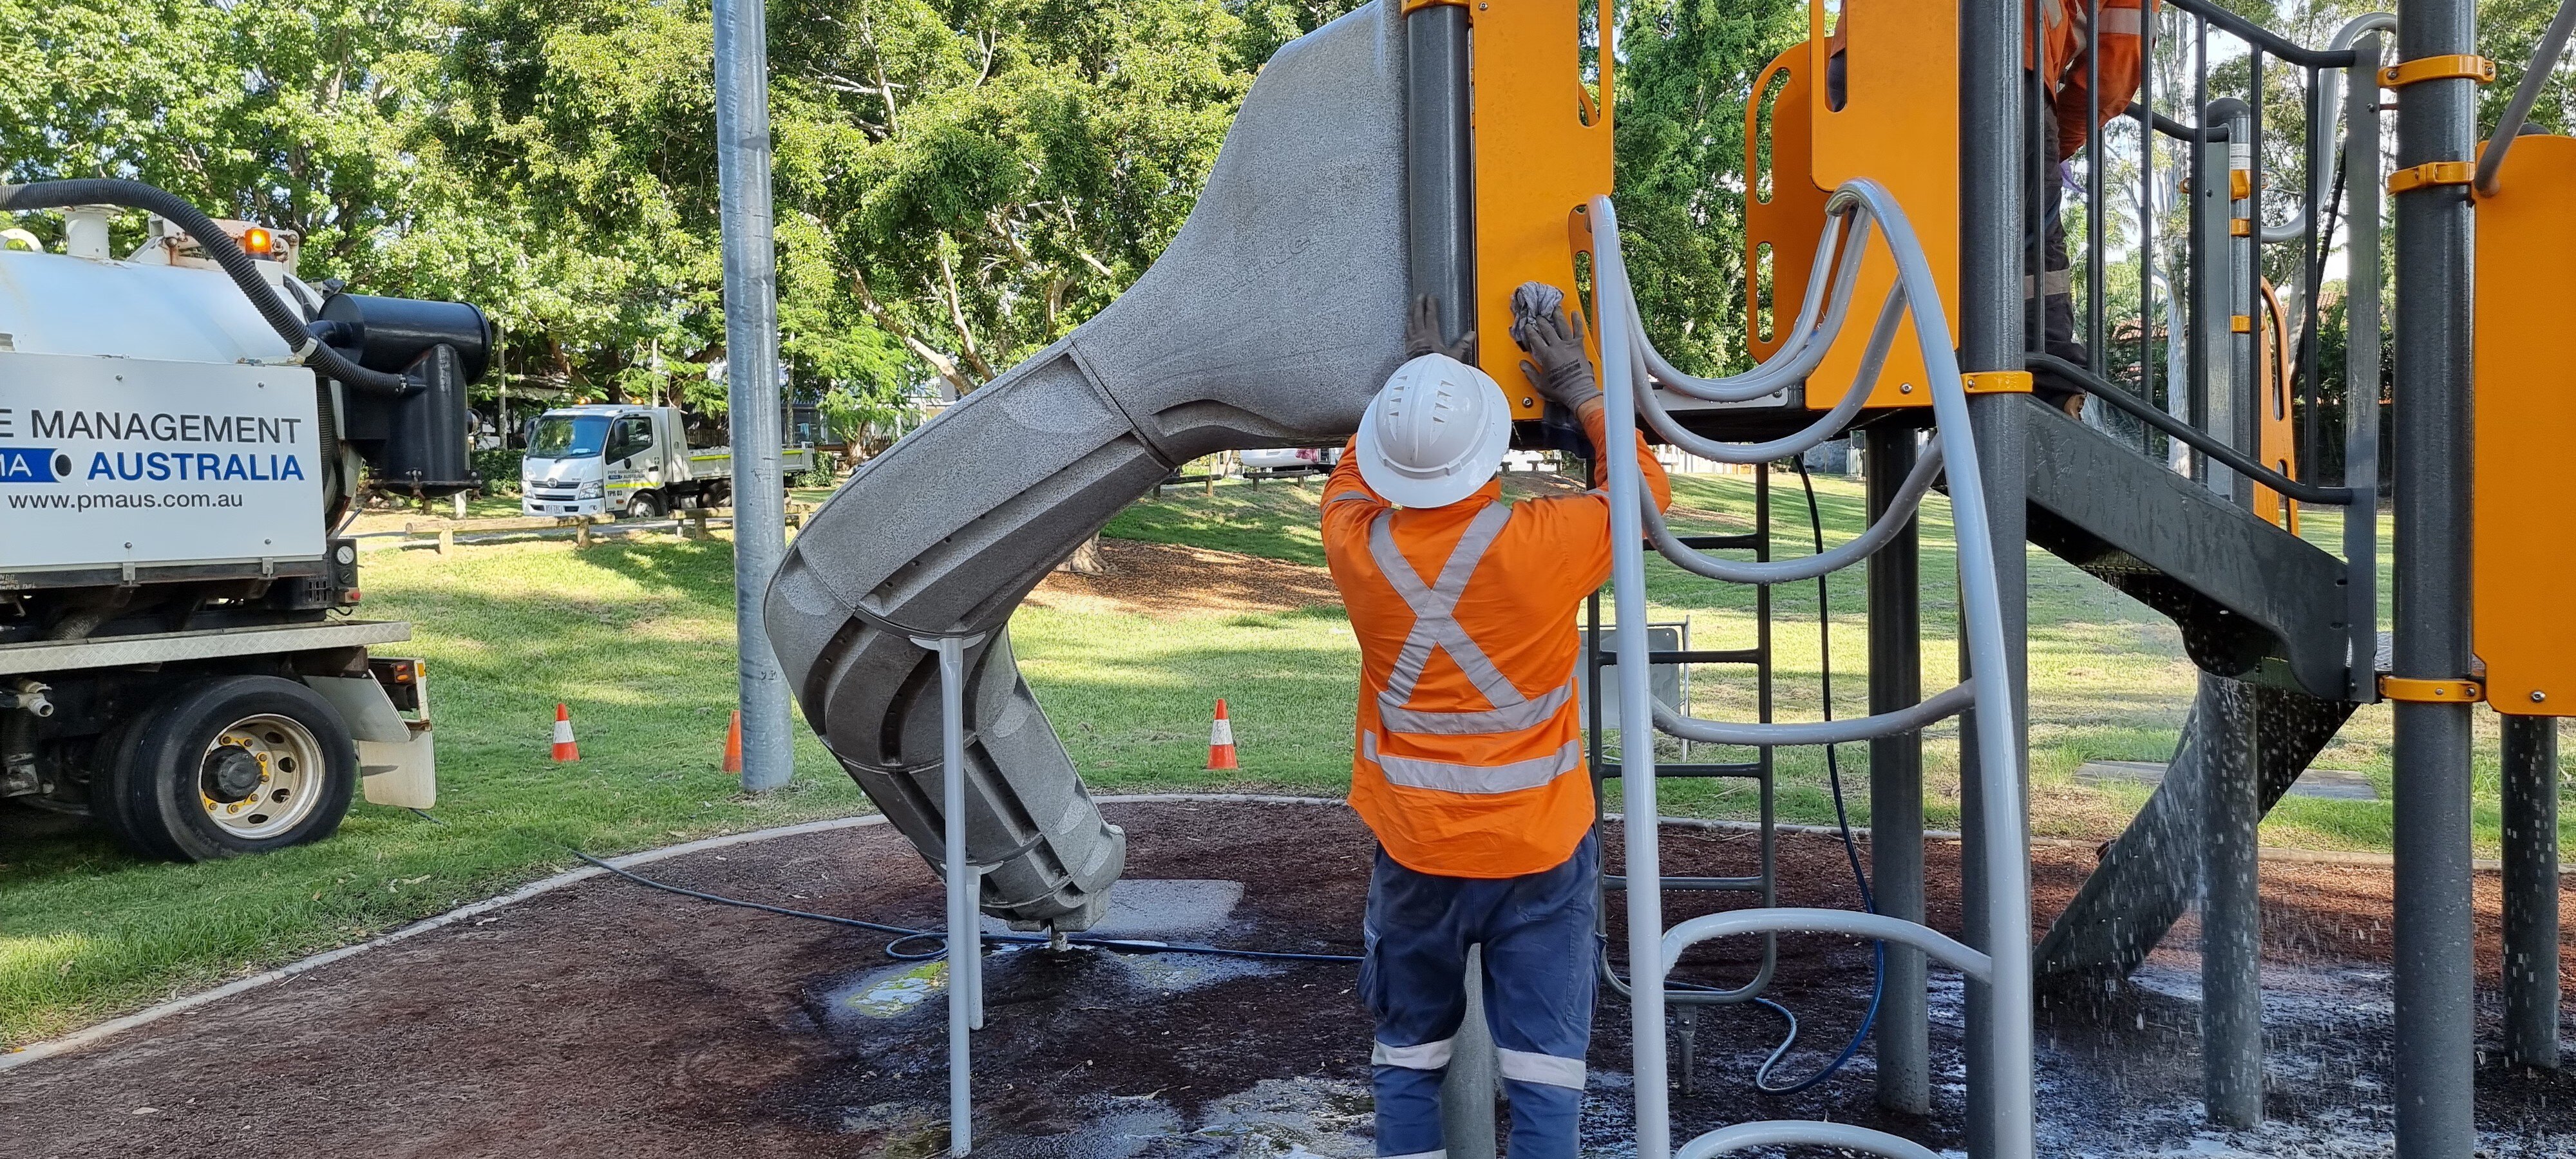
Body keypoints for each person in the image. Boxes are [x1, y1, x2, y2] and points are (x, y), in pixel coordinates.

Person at [1321, 286, 1672, 1158]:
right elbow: (1648, 495)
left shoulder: (1356, 547)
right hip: (1540, 853)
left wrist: (1408, 388)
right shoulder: (1544, 543)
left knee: (1407, 1062)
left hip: (1415, 853)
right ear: (1489, 450)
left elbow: (1353, 475)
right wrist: (1582, 387)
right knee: (1546, 1076)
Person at [1828, 0, 2155, 415]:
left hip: (1870, 57)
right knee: (2030, 245)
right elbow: (2114, 68)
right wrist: (2055, 141)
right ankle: (2048, 393)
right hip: (2005, 58)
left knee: (1889, 233)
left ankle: (1887, 369)